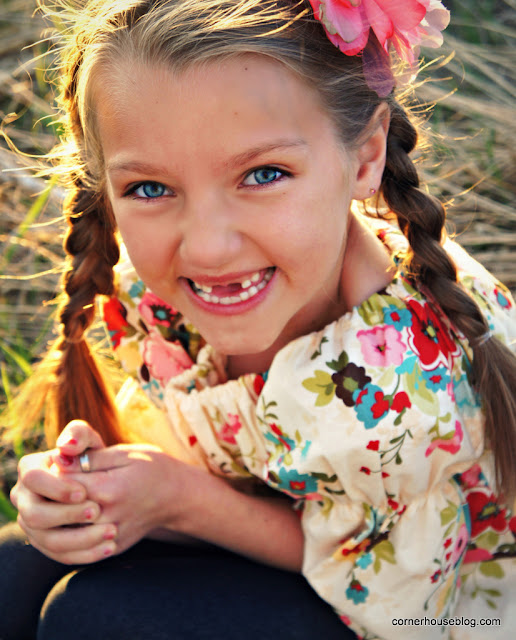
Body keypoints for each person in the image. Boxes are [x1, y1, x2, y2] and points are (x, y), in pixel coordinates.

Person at [1, 0, 515, 638]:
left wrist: (179, 502)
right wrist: (93, 490)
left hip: (416, 608)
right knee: (15, 572)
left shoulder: (398, 385)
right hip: (279, 540)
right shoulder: (165, 298)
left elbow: (381, 573)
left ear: (366, 157)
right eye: (150, 188)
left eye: (264, 174)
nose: (207, 248)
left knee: (93, 616)